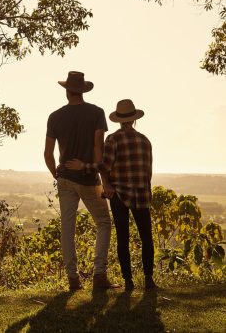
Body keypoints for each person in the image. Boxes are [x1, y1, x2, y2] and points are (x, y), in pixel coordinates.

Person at [67, 99, 156, 291]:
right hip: (142, 194)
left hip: (119, 195)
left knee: (123, 238)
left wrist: (84, 166)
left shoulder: (113, 139)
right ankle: (149, 279)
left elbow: (105, 165)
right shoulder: (145, 140)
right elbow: (148, 172)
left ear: (119, 120)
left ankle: (128, 281)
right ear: (134, 120)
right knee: (146, 238)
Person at [44, 71, 118, 291]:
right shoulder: (96, 113)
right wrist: (103, 178)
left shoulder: (55, 116)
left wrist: (56, 175)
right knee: (104, 222)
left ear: (67, 91)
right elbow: (98, 148)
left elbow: (48, 154)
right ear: (83, 91)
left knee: (67, 228)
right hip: (88, 178)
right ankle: (99, 275)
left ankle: (73, 280)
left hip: (65, 178)